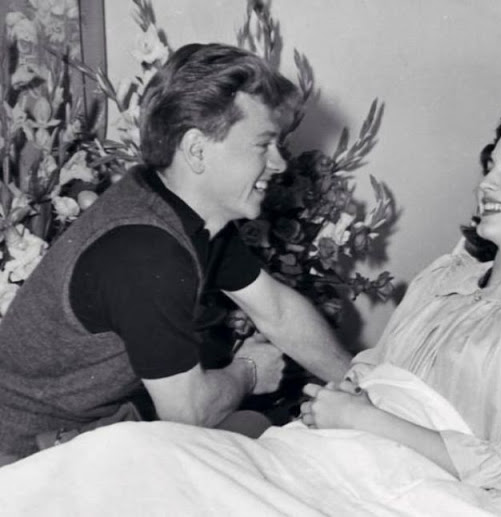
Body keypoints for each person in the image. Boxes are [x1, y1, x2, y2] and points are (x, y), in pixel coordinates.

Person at [0, 43, 352, 461]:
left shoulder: (178, 207)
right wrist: (249, 371)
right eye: (264, 145)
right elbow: (188, 413)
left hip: (79, 434)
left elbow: (277, 311)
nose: (280, 163)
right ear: (197, 149)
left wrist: (359, 383)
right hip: (24, 461)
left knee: (256, 435)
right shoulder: (147, 251)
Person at [300, 90, 501, 492]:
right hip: (332, 452)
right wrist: (339, 403)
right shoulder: (442, 277)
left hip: (400, 484)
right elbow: (369, 373)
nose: (487, 183)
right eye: (490, 166)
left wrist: (362, 419)